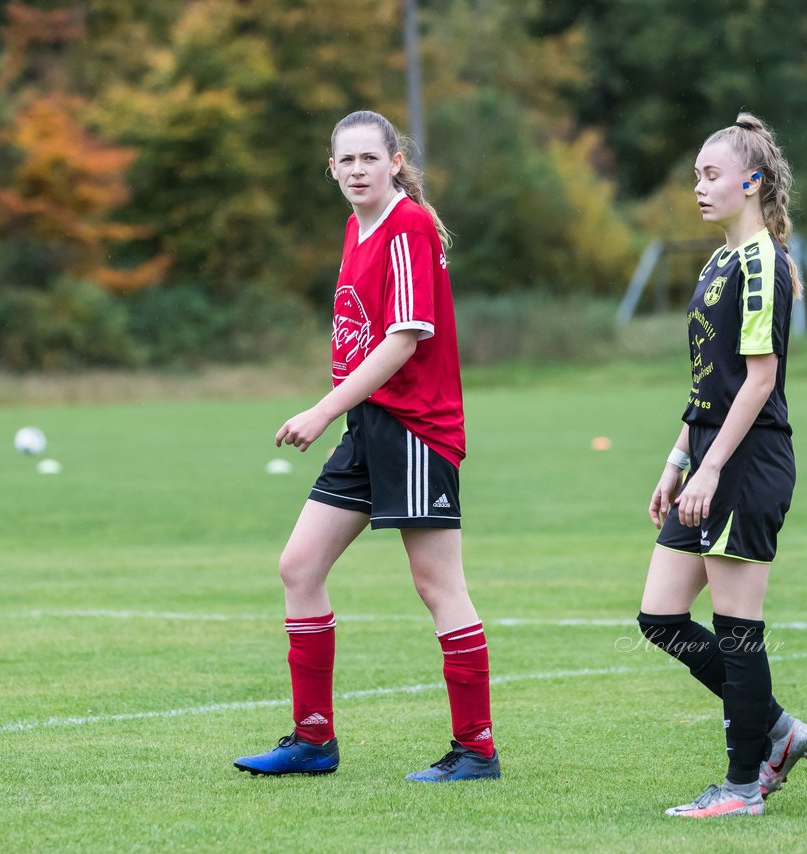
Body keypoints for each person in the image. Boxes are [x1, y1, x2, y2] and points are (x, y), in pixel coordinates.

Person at [233, 110, 499, 783]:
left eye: (368, 160)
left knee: (438, 584)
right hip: (370, 424)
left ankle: (477, 749)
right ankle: (313, 740)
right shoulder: (358, 225)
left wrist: (323, 409)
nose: (356, 171)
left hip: (415, 426)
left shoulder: (405, 226)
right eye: (345, 161)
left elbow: (404, 340)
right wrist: (343, 414)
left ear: (395, 163)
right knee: (299, 566)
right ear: (331, 168)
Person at [635, 113, 807, 818]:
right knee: (660, 615)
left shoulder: (764, 262)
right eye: (696, 176)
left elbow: (759, 380)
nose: (699, 187)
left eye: (711, 175)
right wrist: (678, 460)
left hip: (747, 464)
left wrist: (711, 468)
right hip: (712, 456)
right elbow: (707, 383)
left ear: (752, 181)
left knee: (738, 625)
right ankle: (775, 728)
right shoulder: (718, 261)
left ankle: (744, 787)